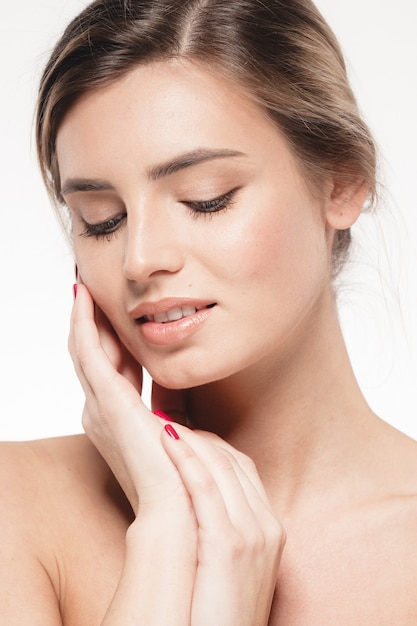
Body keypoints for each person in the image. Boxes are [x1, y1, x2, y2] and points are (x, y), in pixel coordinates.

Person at [1, 0, 416, 623]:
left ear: (341, 182)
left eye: (206, 200)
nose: (139, 260)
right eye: (101, 220)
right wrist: (167, 534)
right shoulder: (17, 506)